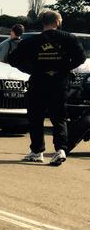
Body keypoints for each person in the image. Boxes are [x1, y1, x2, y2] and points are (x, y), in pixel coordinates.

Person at [7, 9, 85, 166]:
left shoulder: (32, 41)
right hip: (59, 82)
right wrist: (65, 68)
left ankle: (37, 151)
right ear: (58, 22)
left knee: (36, 117)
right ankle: (61, 150)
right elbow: (81, 58)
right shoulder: (69, 38)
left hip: (38, 82)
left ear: (43, 23)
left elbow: (13, 59)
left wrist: (31, 69)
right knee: (59, 117)